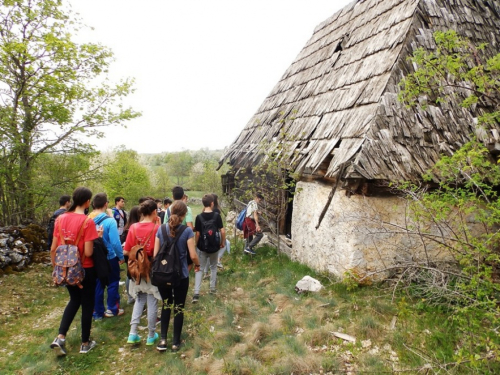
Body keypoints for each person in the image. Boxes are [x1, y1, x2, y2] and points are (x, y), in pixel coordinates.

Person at [50, 187, 98, 355]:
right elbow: (89, 252)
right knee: (87, 304)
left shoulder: (60, 219)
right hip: (85, 269)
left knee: (73, 301)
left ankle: (61, 337)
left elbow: (54, 247)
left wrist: (56, 268)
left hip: (66, 269)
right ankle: (85, 343)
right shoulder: (88, 222)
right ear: (86, 202)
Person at [154, 201, 200, 352]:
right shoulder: (187, 231)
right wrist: (197, 264)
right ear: (184, 214)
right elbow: (192, 255)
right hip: (181, 275)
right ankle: (175, 342)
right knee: (179, 307)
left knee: (166, 305)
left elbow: (155, 255)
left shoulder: (160, 229)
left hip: (163, 275)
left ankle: (162, 340)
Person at [123, 199, 160, 346]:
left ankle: (133, 333)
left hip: (137, 269)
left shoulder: (133, 228)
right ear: (154, 212)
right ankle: (151, 335)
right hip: (151, 268)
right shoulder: (157, 229)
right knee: (152, 299)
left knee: (139, 299)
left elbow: (126, 251)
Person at [91, 193, 125, 320]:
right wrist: (121, 257)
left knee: (98, 284)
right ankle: (112, 309)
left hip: (94, 257)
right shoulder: (110, 221)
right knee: (112, 282)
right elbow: (115, 242)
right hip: (109, 257)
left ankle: (97, 313)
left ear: (93, 204)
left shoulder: (87, 220)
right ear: (106, 204)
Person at [192, 194, 225, 303]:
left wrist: (196, 245)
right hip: (214, 247)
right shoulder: (216, 216)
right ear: (212, 203)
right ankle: (212, 289)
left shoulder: (199, 217)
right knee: (214, 267)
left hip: (202, 247)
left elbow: (197, 233)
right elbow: (222, 231)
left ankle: (196, 293)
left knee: (199, 269)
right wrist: (222, 243)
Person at [163, 186, 194, 270]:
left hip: (169, 240)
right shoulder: (187, 209)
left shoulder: (168, 210)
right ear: (183, 196)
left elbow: (165, 226)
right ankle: (183, 278)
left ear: (172, 197)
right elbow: (189, 227)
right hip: (183, 239)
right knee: (188, 262)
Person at [121, 206, 141, 305]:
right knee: (134, 274)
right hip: (133, 253)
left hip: (127, 253)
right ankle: (134, 295)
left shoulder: (127, 226)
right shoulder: (136, 227)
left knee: (129, 273)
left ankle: (130, 296)